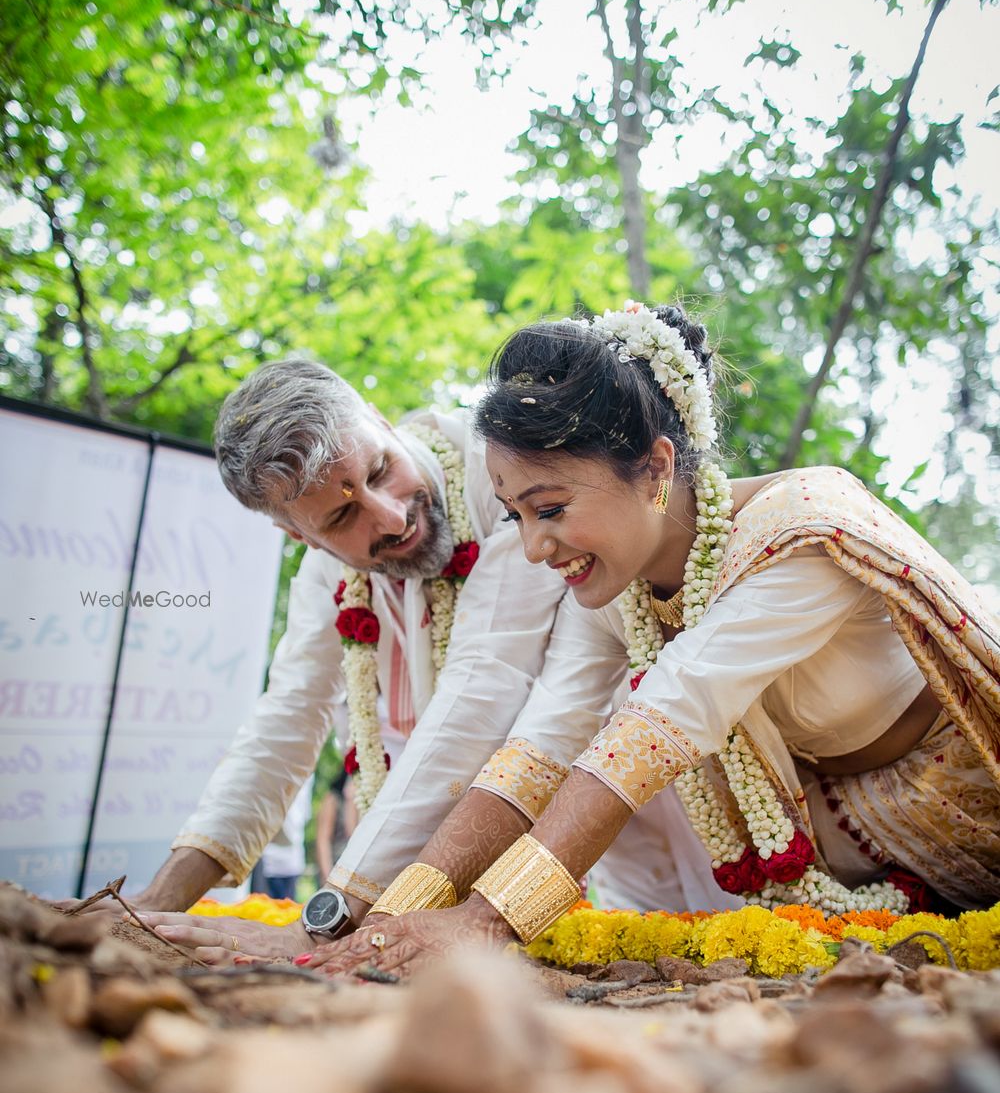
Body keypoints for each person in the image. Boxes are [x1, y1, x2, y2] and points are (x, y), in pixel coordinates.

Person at [303, 301, 1000, 979]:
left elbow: (658, 725)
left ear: (658, 469)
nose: (536, 548)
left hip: (974, 800)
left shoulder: (801, 535)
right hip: (855, 837)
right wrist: (378, 921)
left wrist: (487, 921)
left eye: (550, 509)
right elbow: (541, 747)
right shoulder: (617, 587)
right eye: (516, 516)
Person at [83, 355, 569, 960]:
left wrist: (323, 921)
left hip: (594, 825)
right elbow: (287, 719)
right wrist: (155, 905)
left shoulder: (503, 478)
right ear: (300, 537)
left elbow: (484, 687)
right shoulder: (326, 577)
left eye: (380, 469)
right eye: (342, 516)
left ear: (378, 418)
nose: (391, 515)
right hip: (431, 891)